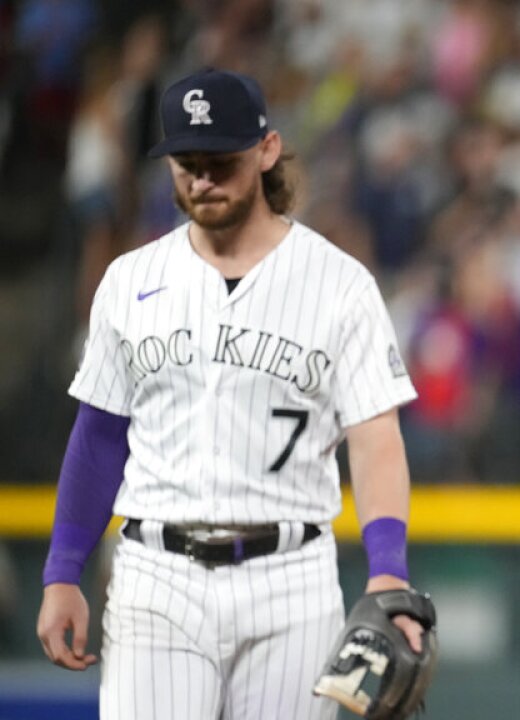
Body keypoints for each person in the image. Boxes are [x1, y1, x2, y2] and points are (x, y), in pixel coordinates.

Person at [36, 68, 426, 719]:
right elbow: (98, 435)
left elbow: (375, 436)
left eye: (221, 161)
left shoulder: (338, 284)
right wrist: (61, 569)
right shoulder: (130, 280)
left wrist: (388, 567)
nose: (203, 179)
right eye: (187, 163)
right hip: (158, 575)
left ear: (267, 150)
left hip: (291, 576)